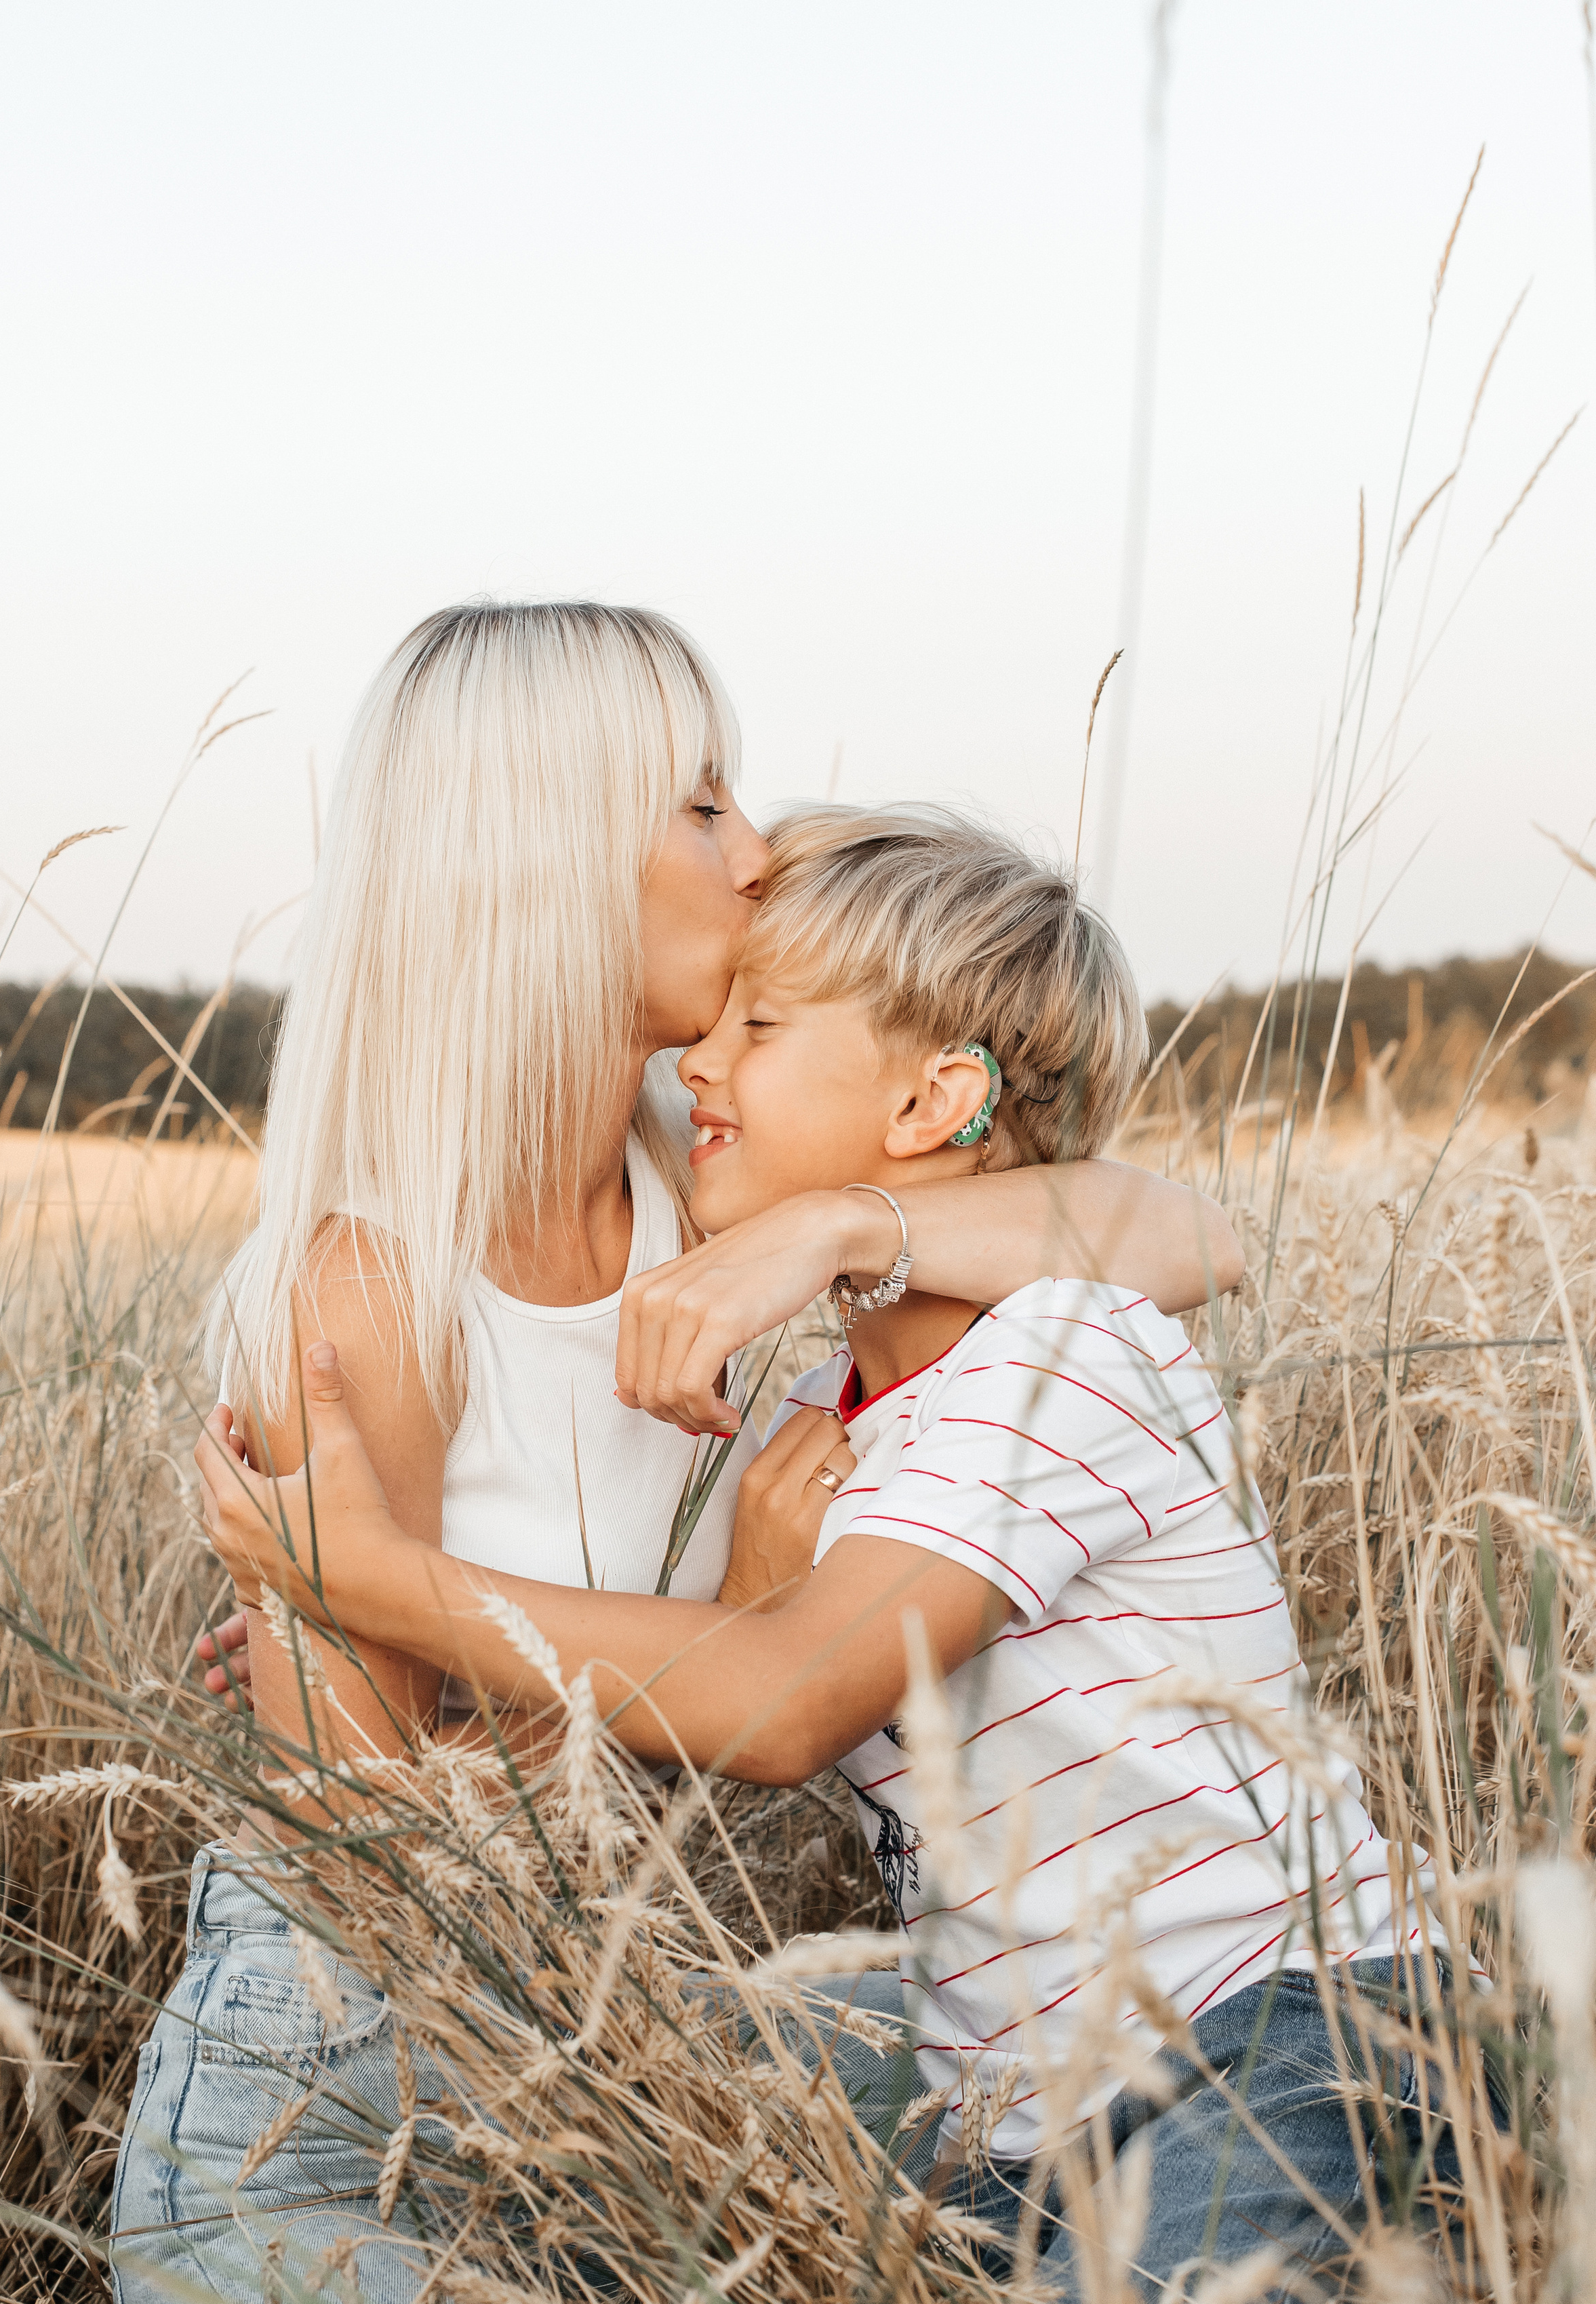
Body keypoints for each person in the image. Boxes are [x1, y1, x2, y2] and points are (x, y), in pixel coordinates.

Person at [111, 601, 1239, 2303]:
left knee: (1122, 2046)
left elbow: (1184, 1235)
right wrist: (728, 1640)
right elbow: (396, 1881)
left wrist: (834, 1231)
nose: (759, 845)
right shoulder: (365, 1285)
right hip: (330, 2104)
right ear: (552, 860)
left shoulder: (696, 1183)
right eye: (702, 802)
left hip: (564, 2027)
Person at [200, 804, 1468, 2299]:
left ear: (934, 1102)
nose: (697, 1063)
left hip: (1270, 2042)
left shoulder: (1065, 1355)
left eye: (763, 1024)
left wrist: (357, 1574)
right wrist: (431, 1637)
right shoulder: (817, 1419)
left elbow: (783, 1698)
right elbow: (700, 1664)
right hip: (1003, 2117)